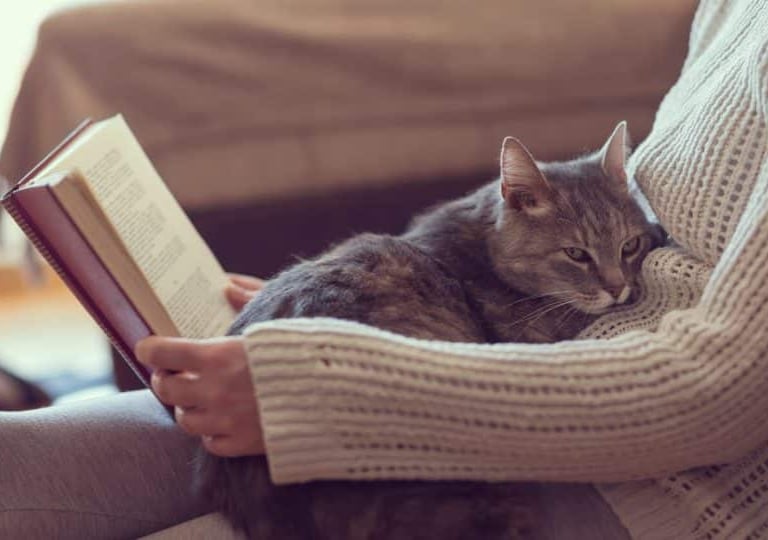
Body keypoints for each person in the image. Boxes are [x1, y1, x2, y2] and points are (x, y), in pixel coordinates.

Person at [2, 0, 768, 538]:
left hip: (649, 483)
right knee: (17, 461)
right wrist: (334, 313)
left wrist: (333, 383)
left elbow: (721, 394)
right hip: (470, 386)